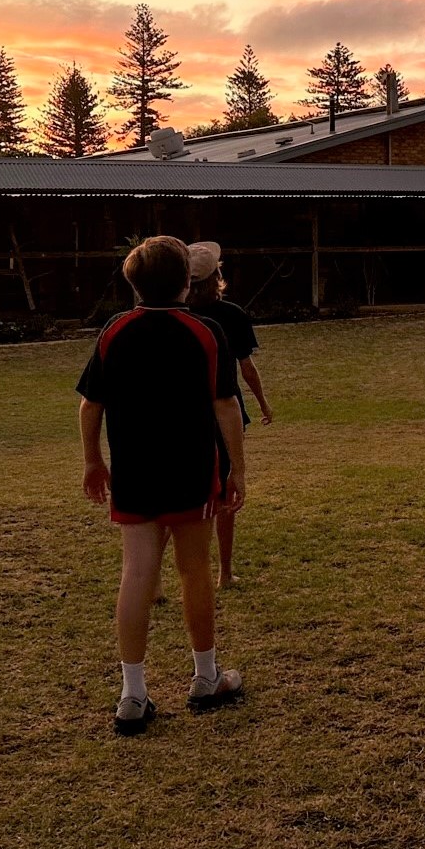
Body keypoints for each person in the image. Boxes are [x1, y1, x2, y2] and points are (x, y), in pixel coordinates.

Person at [79, 235, 247, 738]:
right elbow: (226, 407)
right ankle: (206, 677)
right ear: (185, 282)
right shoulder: (206, 331)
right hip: (192, 469)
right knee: (194, 570)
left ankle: (133, 695)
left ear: (133, 283)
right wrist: (237, 469)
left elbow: (91, 404)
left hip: (134, 471)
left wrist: (93, 461)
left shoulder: (115, 331)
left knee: (136, 574)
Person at [186, 241, 271, 590]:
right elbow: (246, 368)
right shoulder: (232, 315)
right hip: (226, 413)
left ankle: (159, 581)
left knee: (175, 495)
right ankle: (224, 572)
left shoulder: (177, 316)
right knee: (227, 492)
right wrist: (263, 403)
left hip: (183, 415)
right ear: (217, 276)